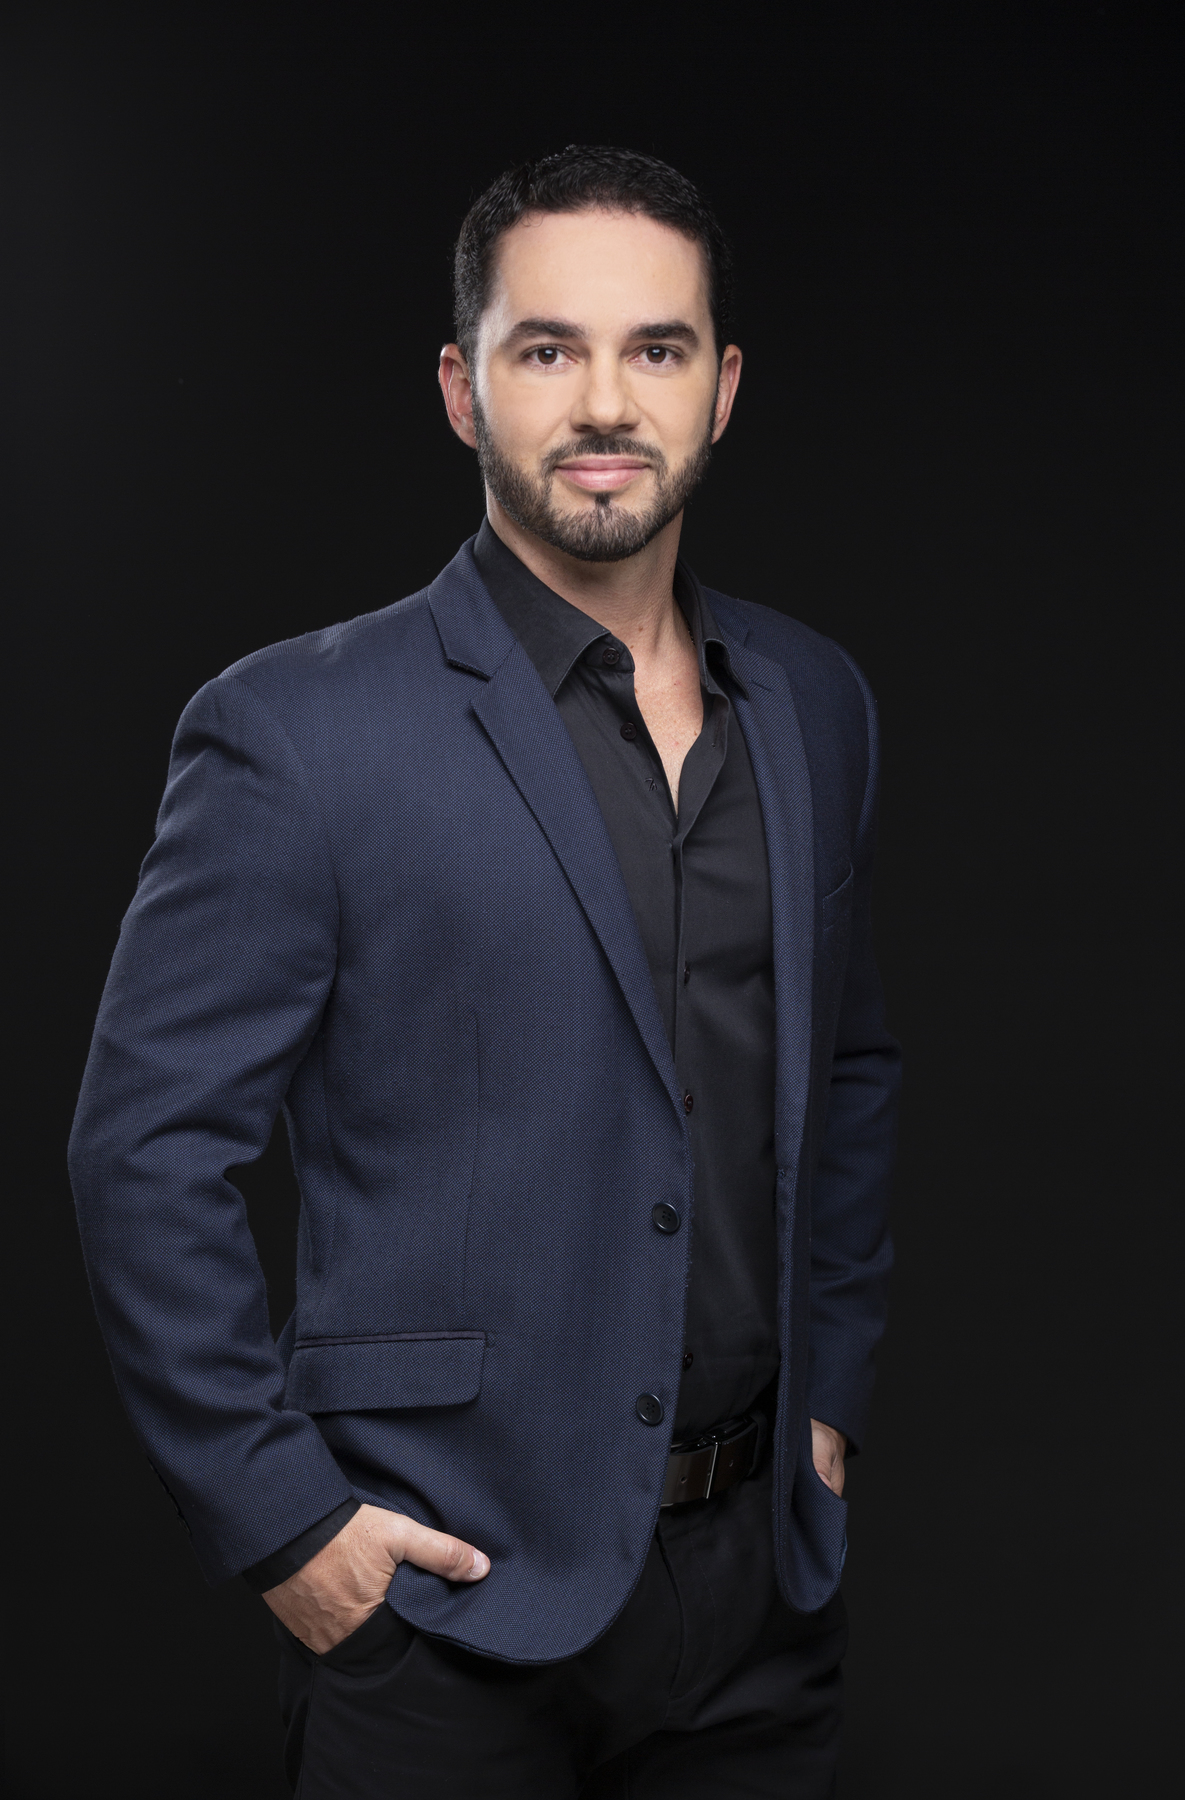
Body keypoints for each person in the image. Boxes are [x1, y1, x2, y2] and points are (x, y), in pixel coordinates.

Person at [69, 145, 900, 1798]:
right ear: (463, 389)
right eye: (547, 349)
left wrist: (832, 1403)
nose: (605, 402)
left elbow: (851, 1069)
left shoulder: (816, 703)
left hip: (757, 1599)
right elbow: (142, 1151)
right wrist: (286, 1526)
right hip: (443, 1617)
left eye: (655, 348)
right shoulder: (296, 732)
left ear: (724, 388)